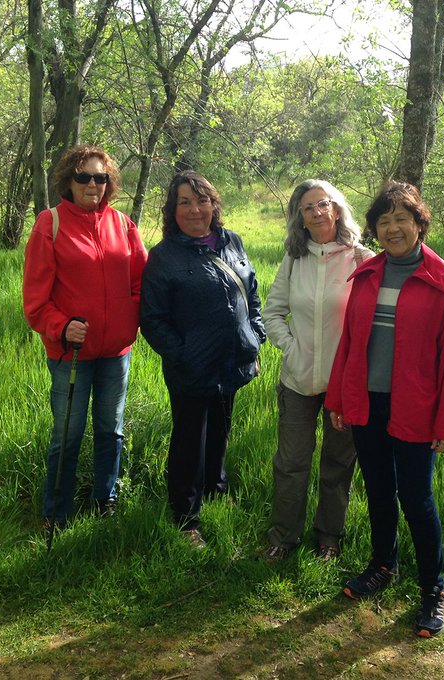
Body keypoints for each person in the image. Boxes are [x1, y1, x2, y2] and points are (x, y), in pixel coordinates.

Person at [325, 180, 444, 637]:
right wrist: (339, 400)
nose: (392, 228)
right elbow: (349, 343)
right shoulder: (367, 275)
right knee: (379, 490)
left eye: (401, 219)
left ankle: (433, 589)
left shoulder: (442, 282)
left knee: (417, 499)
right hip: (368, 404)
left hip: (417, 409)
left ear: (419, 222)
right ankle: (383, 565)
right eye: (383, 221)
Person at [23, 144, 148, 533]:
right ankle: (56, 513)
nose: (93, 184)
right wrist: (60, 327)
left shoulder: (123, 225)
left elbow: (141, 283)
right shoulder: (51, 223)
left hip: (116, 352)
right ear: (70, 181)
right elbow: (35, 300)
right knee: (67, 434)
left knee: (111, 429)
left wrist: (129, 323)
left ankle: (104, 499)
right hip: (70, 354)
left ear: (109, 183)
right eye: (84, 177)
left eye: (100, 177)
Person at [139, 170, 265, 549]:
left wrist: (255, 334)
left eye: (202, 200)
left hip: (233, 360)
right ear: (172, 210)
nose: (195, 210)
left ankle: (215, 491)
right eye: (185, 202)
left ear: (214, 204)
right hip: (191, 367)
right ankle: (185, 517)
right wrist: (182, 354)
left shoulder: (233, 242)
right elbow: (153, 318)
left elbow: (252, 292)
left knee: (221, 430)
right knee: (190, 440)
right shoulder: (164, 257)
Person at [262, 180, 374, 562]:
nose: (317, 212)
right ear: (301, 219)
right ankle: (283, 537)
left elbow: (374, 322)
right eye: (307, 208)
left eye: (323, 204)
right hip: (297, 381)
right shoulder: (294, 259)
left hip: (344, 386)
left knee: (337, 465)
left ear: (337, 209)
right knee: (291, 463)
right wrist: (291, 349)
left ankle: (329, 538)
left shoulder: (362, 259)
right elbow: (272, 313)